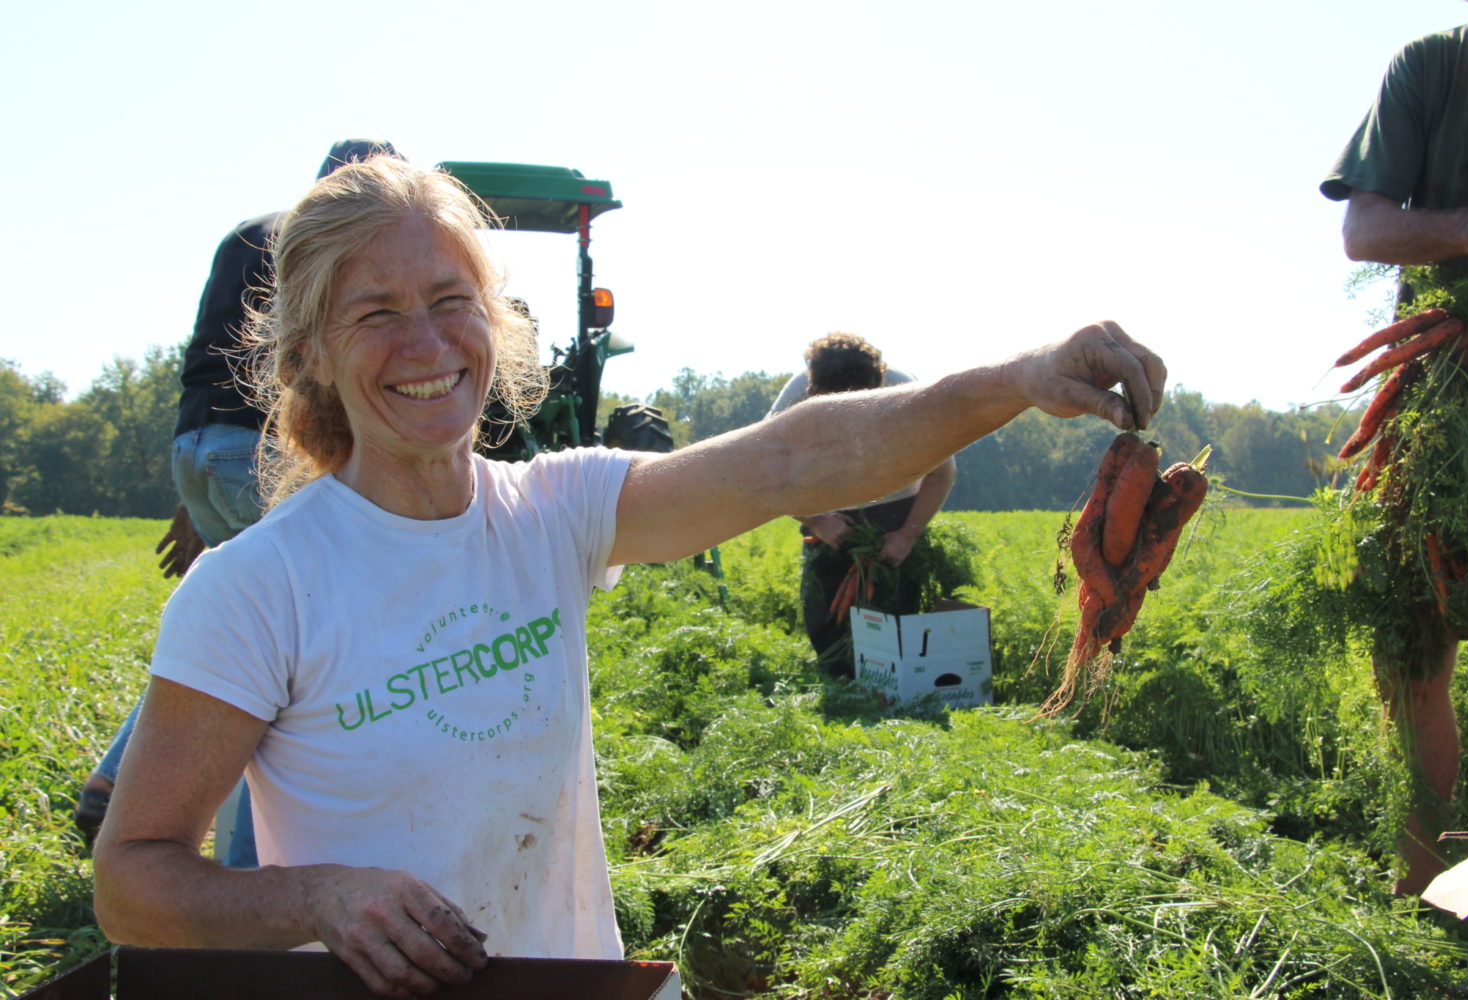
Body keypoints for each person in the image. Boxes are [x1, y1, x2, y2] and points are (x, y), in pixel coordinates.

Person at [90, 156, 1165, 998]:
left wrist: (1020, 378)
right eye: (374, 312)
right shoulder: (258, 585)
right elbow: (132, 880)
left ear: (497, 322)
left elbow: (796, 456)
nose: (425, 342)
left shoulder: (552, 511)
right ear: (314, 352)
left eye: (451, 298)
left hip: (570, 984)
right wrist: (320, 898)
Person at [73, 140, 403, 866]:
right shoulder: (319, 245)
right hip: (252, 449)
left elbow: (210, 359)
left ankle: (116, 781)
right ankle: (259, 865)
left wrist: (194, 496)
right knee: (300, 641)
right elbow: (289, 371)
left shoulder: (244, 233)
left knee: (238, 645)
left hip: (196, 448)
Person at [1321, 6, 1468, 896]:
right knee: (1413, 659)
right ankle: (1422, 888)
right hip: (1427, 419)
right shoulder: (1435, 66)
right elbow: (1364, 230)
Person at [765, 333, 957, 677]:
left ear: (874, 388)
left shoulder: (909, 398)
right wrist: (818, 521)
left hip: (896, 512)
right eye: (822, 398)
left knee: (894, 605)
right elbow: (766, 469)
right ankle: (839, 684)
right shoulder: (799, 393)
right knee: (825, 612)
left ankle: (893, 686)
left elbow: (943, 472)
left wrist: (906, 537)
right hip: (827, 511)